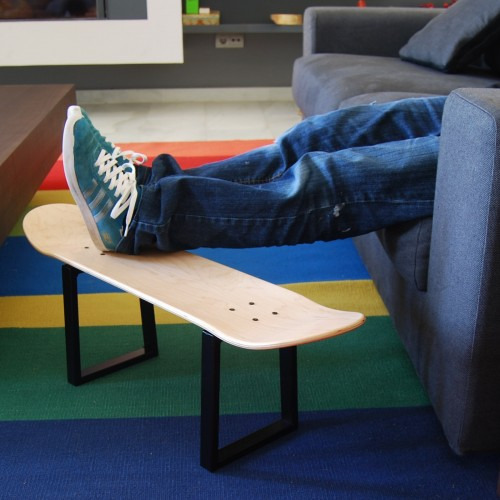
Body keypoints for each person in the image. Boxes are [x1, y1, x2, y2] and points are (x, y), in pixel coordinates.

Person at [62, 96, 445, 255]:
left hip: (480, 136)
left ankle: (144, 219)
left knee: (329, 178)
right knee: (316, 136)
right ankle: (149, 186)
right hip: (473, 98)